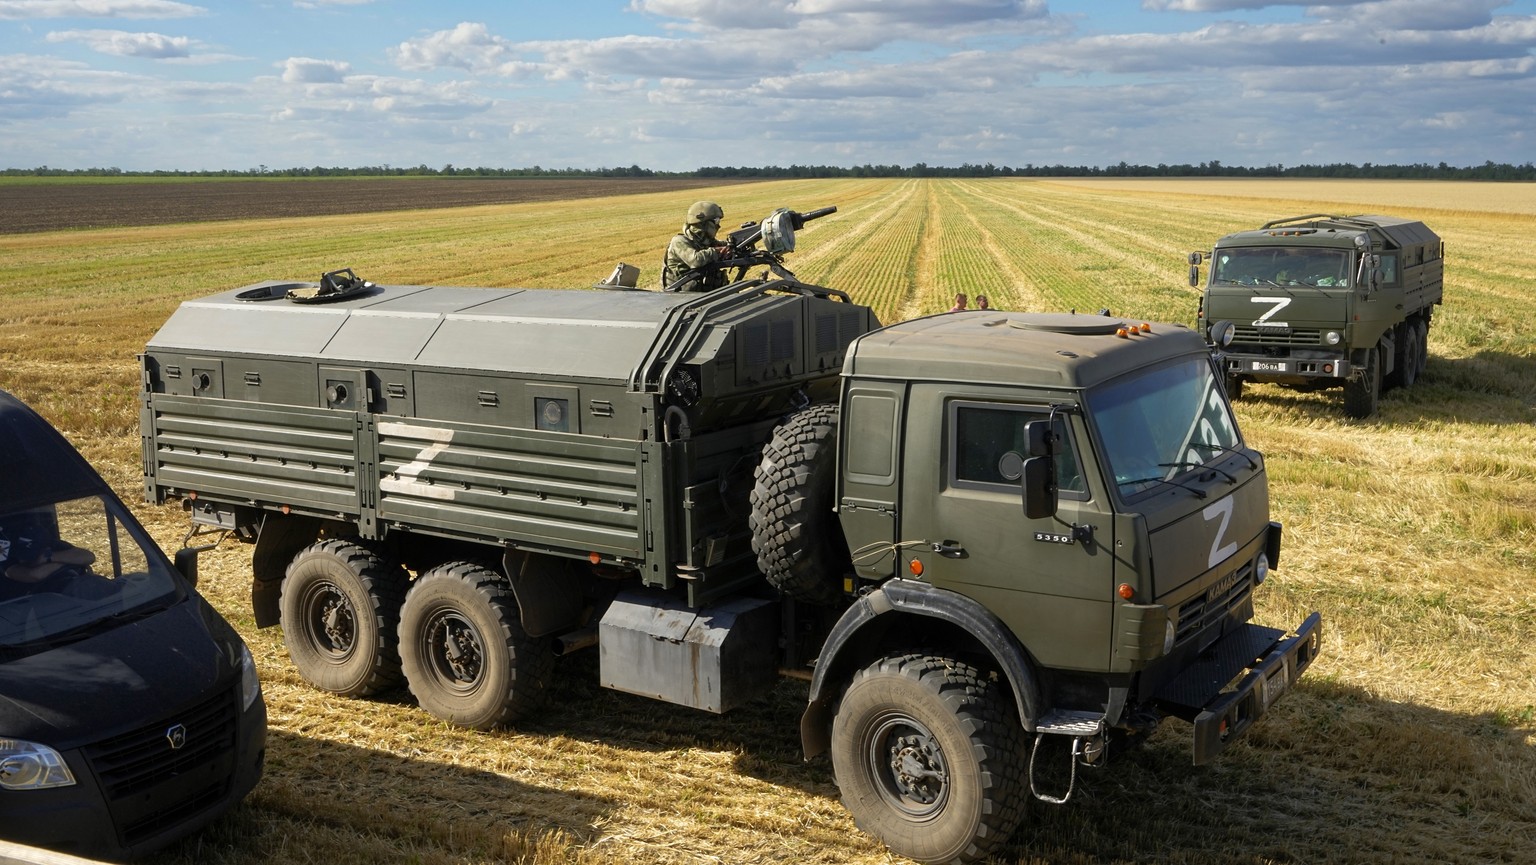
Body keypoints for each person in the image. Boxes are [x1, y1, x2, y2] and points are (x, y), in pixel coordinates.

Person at [0, 512, 97, 599]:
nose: (24, 561)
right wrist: (65, 562)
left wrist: (50, 558)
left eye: (33, 555)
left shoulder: (52, 545)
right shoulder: (6, 555)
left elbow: (89, 556)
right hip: (35, 605)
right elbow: (34, 575)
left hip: (74, 592)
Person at [661, 200, 731, 292]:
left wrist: (732, 246)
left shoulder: (704, 240)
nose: (718, 225)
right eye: (716, 221)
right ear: (703, 223)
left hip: (697, 294)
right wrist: (717, 251)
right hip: (679, 296)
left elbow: (721, 245)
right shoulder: (679, 241)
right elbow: (695, 260)